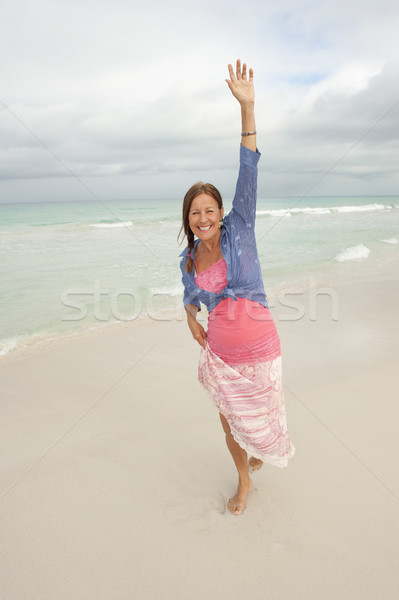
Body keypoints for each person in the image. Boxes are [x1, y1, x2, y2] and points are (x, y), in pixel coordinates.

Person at [178, 60, 295, 516]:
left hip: (262, 347)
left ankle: (259, 454)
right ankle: (244, 481)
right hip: (223, 355)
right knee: (230, 427)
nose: (203, 218)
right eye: (194, 213)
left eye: (209, 210)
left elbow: (248, 167)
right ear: (187, 220)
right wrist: (190, 319)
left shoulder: (239, 227)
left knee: (264, 420)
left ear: (221, 212)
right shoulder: (187, 259)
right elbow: (190, 297)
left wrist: (247, 108)